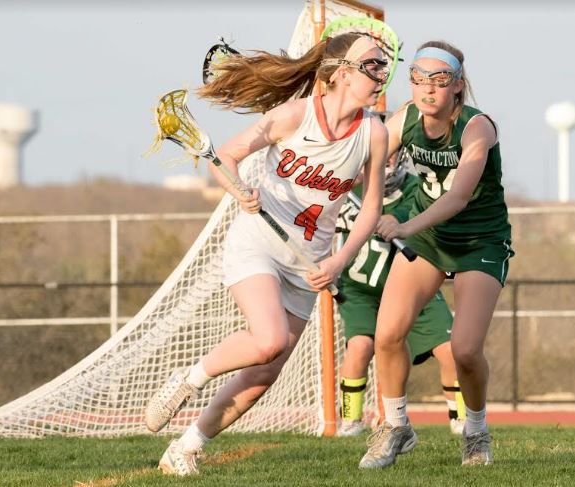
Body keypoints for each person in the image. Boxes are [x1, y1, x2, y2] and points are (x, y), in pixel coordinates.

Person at [144, 32, 390, 477]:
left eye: (383, 65)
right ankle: (188, 379)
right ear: (342, 73)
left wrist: (339, 260)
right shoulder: (295, 115)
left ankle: (185, 448)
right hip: (258, 243)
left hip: (309, 262)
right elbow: (227, 156)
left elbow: (371, 208)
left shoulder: (374, 132)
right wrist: (239, 191)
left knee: (263, 374)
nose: (382, 74)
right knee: (269, 339)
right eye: (372, 65)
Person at [359, 40, 514, 469]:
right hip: (430, 239)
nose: (428, 88)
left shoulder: (477, 127)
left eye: (440, 79)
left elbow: (459, 196)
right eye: (419, 78)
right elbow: (366, 163)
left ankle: (476, 431)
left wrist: (403, 226)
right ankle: (396, 427)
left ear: (458, 85)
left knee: (464, 350)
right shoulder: (404, 118)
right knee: (387, 335)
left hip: (478, 241)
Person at [335, 150, 465, 438]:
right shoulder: (348, 189)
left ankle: (461, 419)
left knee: (451, 350)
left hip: (414, 286)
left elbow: (413, 213)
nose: (388, 161)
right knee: (359, 347)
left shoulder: (417, 188)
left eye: (393, 155)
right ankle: (351, 421)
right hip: (361, 290)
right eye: (382, 155)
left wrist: (394, 219)